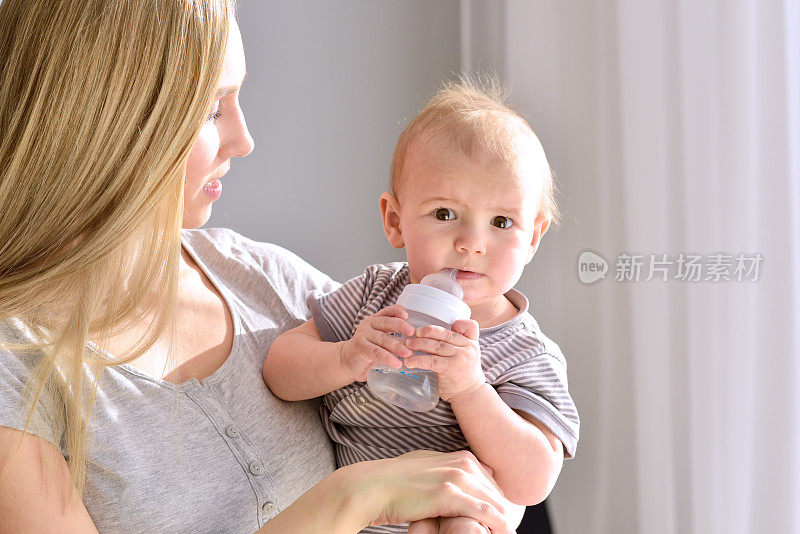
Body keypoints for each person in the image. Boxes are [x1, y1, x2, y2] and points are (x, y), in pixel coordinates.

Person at [0, 1, 518, 532]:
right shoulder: (15, 370)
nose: (244, 140)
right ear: (103, 119)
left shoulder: (270, 282)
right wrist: (354, 498)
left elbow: (478, 464)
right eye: (211, 107)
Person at [263, 82, 581, 533]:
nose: (471, 243)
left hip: (456, 513)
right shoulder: (374, 294)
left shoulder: (527, 354)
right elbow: (279, 370)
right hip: (357, 515)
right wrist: (347, 356)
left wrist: (471, 390)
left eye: (502, 222)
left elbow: (532, 482)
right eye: (445, 214)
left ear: (532, 237)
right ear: (395, 221)